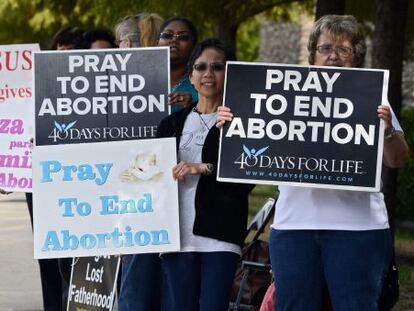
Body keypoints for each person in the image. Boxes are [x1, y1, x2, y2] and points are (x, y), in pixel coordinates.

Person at [217, 15, 410, 311]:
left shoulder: (371, 96)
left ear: (356, 56)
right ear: (313, 54)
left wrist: (386, 131)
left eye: (343, 49)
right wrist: (233, 123)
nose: (333, 56)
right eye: (325, 48)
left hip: (359, 230)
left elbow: (397, 160)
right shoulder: (283, 94)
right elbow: (248, 150)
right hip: (295, 227)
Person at [157, 38, 254, 311]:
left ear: (230, 73)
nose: (208, 73)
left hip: (220, 235)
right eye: (200, 67)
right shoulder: (170, 124)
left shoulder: (241, 123)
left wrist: (201, 168)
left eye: (217, 67)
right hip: (176, 237)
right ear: (191, 76)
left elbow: (244, 180)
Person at [114, 12, 165, 311]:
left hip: (138, 206)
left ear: (129, 43)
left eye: (119, 43)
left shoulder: (127, 88)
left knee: (134, 290)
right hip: (157, 204)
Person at [158, 16, 198, 112]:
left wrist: (193, 107)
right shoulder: (141, 81)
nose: (173, 40)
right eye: (167, 35)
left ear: (194, 47)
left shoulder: (201, 85)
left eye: (183, 37)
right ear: (157, 43)